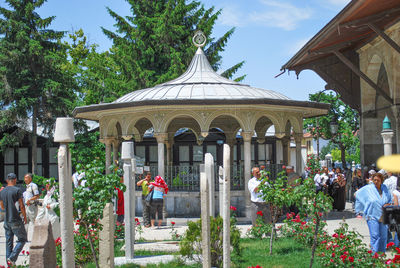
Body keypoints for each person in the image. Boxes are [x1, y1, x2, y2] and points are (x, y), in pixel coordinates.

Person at [355, 173, 392, 253]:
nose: (376, 182)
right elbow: (357, 194)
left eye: (378, 180)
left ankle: (381, 255)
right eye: (374, 180)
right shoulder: (368, 189)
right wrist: (365, 204)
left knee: (383, 237)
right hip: (372, 216)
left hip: (383, 216)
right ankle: (374, 256)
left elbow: (390, 200)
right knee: (375, 236)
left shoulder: (385, 189)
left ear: (381, 181)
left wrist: (388, 204)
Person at [0, 173, 27, 266]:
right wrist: (25, 217)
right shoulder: (17, 190)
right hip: (15, 219)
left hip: (6, 220)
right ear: (15, 180)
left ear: (7, 180)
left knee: (8, 242)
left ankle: (9, 264)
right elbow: (22, 206)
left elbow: (2, 207)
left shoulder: (2, 191)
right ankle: (12, 258)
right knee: (22, 239)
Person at [23, 173, 40, 240]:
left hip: (32, 206)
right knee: (25, 221)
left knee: (34, 222)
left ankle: (36, 237)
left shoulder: (33, 186)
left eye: (26, 178)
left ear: (30, 178)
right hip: (26, 207)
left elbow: (37, 195)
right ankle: (24, 237)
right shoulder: (27, 186)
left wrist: (29, 200)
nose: (25, 179)